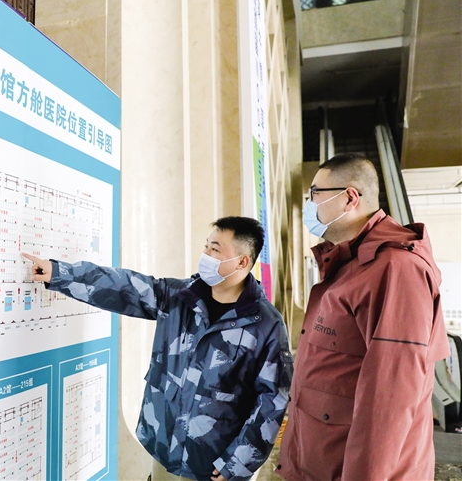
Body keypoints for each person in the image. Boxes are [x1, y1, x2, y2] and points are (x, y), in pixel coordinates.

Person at [23, 217, 293, 481]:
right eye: (206, 246)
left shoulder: (265, 324)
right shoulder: (180, 297)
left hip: (212, 464)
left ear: (242, 262)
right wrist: (59, 274)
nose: (206, 255)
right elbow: (125, 286)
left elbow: (272, 401)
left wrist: (237, 464)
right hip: (164, 448)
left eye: (215, 249)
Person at [277, 153, 450, 480]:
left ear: (349, 198)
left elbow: (390, 401)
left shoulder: (396, 269)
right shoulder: (352, 265)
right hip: (325, 465)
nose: (309, 205)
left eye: (315, 194)